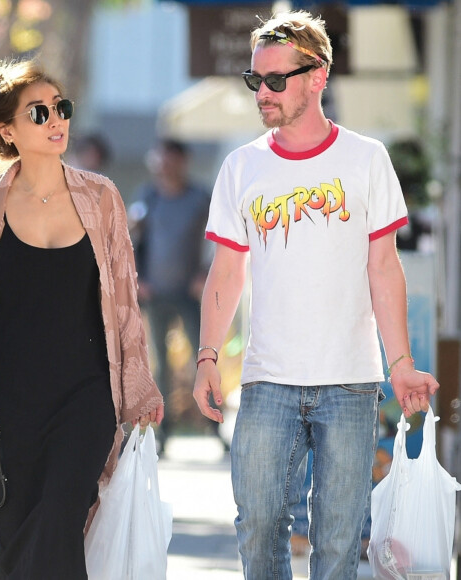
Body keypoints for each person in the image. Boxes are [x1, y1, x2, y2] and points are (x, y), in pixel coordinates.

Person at [192, 11, 440, 580]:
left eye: (277, 80)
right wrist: (207, 356)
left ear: (317, 76)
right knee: (256, 527)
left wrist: (400, 364)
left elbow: (384, 268)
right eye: (257, 81)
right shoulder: (242, 166)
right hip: (266, 381)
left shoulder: (367, 159)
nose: (264, 94)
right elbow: (227, 272)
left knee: (337, 543)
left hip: (350, 383)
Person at [0, 58, 164, 580]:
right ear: (7, 130)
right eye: (39, 112)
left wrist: (140, 386)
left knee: (61, 516)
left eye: (61, 107)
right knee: (16, 528)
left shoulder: (101, 196)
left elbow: (125, 303)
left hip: (85, 395)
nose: (56, 120)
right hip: (7, 402)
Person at [128, 138, 211, 453]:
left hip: (188, 291)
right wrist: (138, 279)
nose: (164, 166)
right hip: (155, 293)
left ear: (182, 162)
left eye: (171, 160)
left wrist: (205, 272)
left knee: (202, 357)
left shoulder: (199, 197)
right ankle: (163, 434)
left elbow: (217, 238)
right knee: (159, 364)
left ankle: (213, 427)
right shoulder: (147, 196)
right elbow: (130, 239)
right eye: (160, 159)